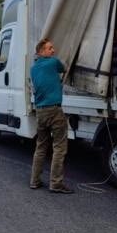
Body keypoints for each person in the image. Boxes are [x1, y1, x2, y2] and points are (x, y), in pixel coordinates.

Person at [29, 38, 73, 194]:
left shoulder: (33, 69)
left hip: (40, 111)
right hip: (54, 110)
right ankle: (56, 183)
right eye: (49, 48)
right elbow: (63, 68)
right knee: (59, 147)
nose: (53, 51)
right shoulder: (53, 63)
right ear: (41, 52)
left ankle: (34, 181)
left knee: (41, 146)